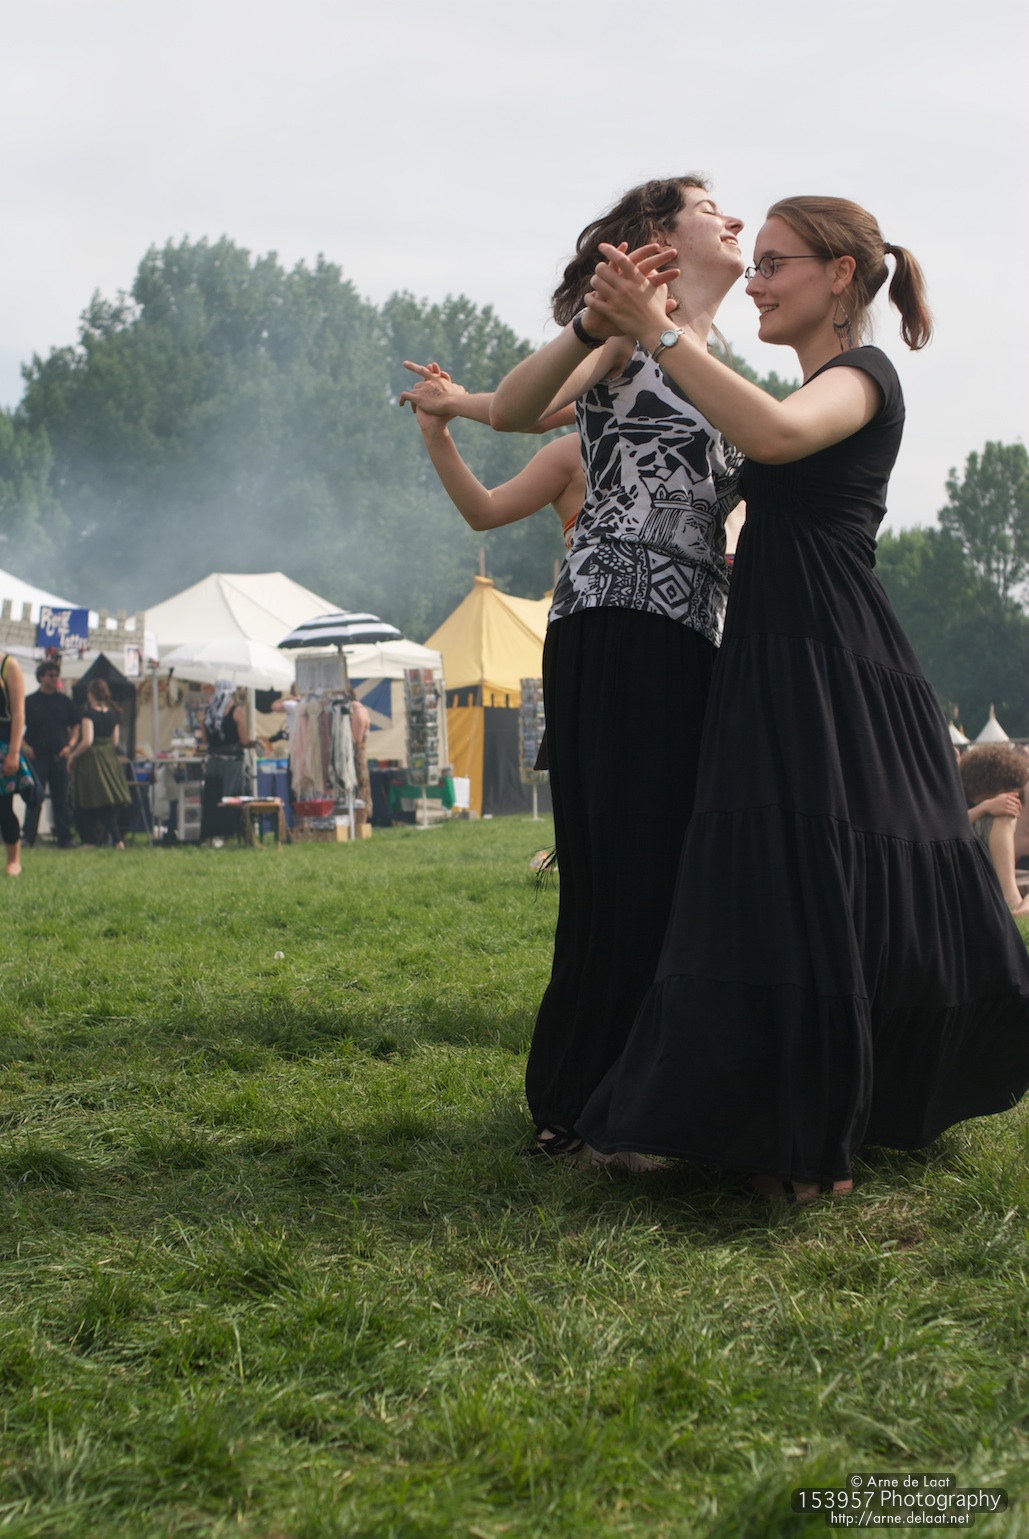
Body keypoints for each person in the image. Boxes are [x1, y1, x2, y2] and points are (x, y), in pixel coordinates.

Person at [574, 196, 1029, 1200]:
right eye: (758, 263)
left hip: (830, 650)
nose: (760, 281)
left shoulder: (863, 376)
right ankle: (783, 1115)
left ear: (840, 277)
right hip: (776, 647)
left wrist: (660, 332)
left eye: (777, 264)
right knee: (785, 880)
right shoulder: (810, 380)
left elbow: (775, 437)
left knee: (813, 872)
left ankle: (810, 1133)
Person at [488, 177, 747, 1159]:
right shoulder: (627, 339)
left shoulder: (711, 358)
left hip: (691, 633)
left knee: (665, 868)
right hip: (615, 619)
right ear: (659, 237)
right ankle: (578, 1101)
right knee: (620, 868)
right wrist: (594, 323)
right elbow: (514, 409)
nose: (733, 218)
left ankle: (631, 1091)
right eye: (709, 208)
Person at [399, 362, 584, 547]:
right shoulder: (571, 453)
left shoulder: (572, 452)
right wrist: (434, 429)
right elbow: (484, 512)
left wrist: (451, 400)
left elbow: (525, 416)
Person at [960, 744, 1029, 916]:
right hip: (981, 876)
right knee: (1004, 816)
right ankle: (1013, 900)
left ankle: (1023, 909)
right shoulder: (963, 802)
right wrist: (985, 807)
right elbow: (948, 825)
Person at [21, 659, 80, 848]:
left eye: (56, 675)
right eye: (51, 675)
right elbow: (17, 725)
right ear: (41, 677)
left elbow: (76, 725)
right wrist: (25, 747)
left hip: (59, 755)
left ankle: (65, 837)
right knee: (34, 797)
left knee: (61, 799)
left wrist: (70, 746)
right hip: (37, 755)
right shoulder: (29, 702)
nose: (55, 679)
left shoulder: (64, 702)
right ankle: (28, 836)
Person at [68, 679, 131, 848]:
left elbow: (87, 741)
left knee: (89, 798)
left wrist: (73, 755)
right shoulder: (113, 714)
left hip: (92, 761)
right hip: (109, 758)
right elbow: (115, 742)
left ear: (90, 695)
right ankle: (111, 840)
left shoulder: (88, 715)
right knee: (105, 800)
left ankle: (94, 840)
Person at [197, 679, 250, 843]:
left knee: (212, 797)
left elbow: (205, 740)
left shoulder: (208, 712)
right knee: (230, 797)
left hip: (214, 761)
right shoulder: (236, 712)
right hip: (231, 762)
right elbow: (244, 740)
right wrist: (255, 743)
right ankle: (229, 834)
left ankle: (209, 837)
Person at [0, 652, 27, 876]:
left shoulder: (9, 665)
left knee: (3, 807)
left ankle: (13, 860)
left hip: (3, 745)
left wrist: (14, 752)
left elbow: (18, 714)